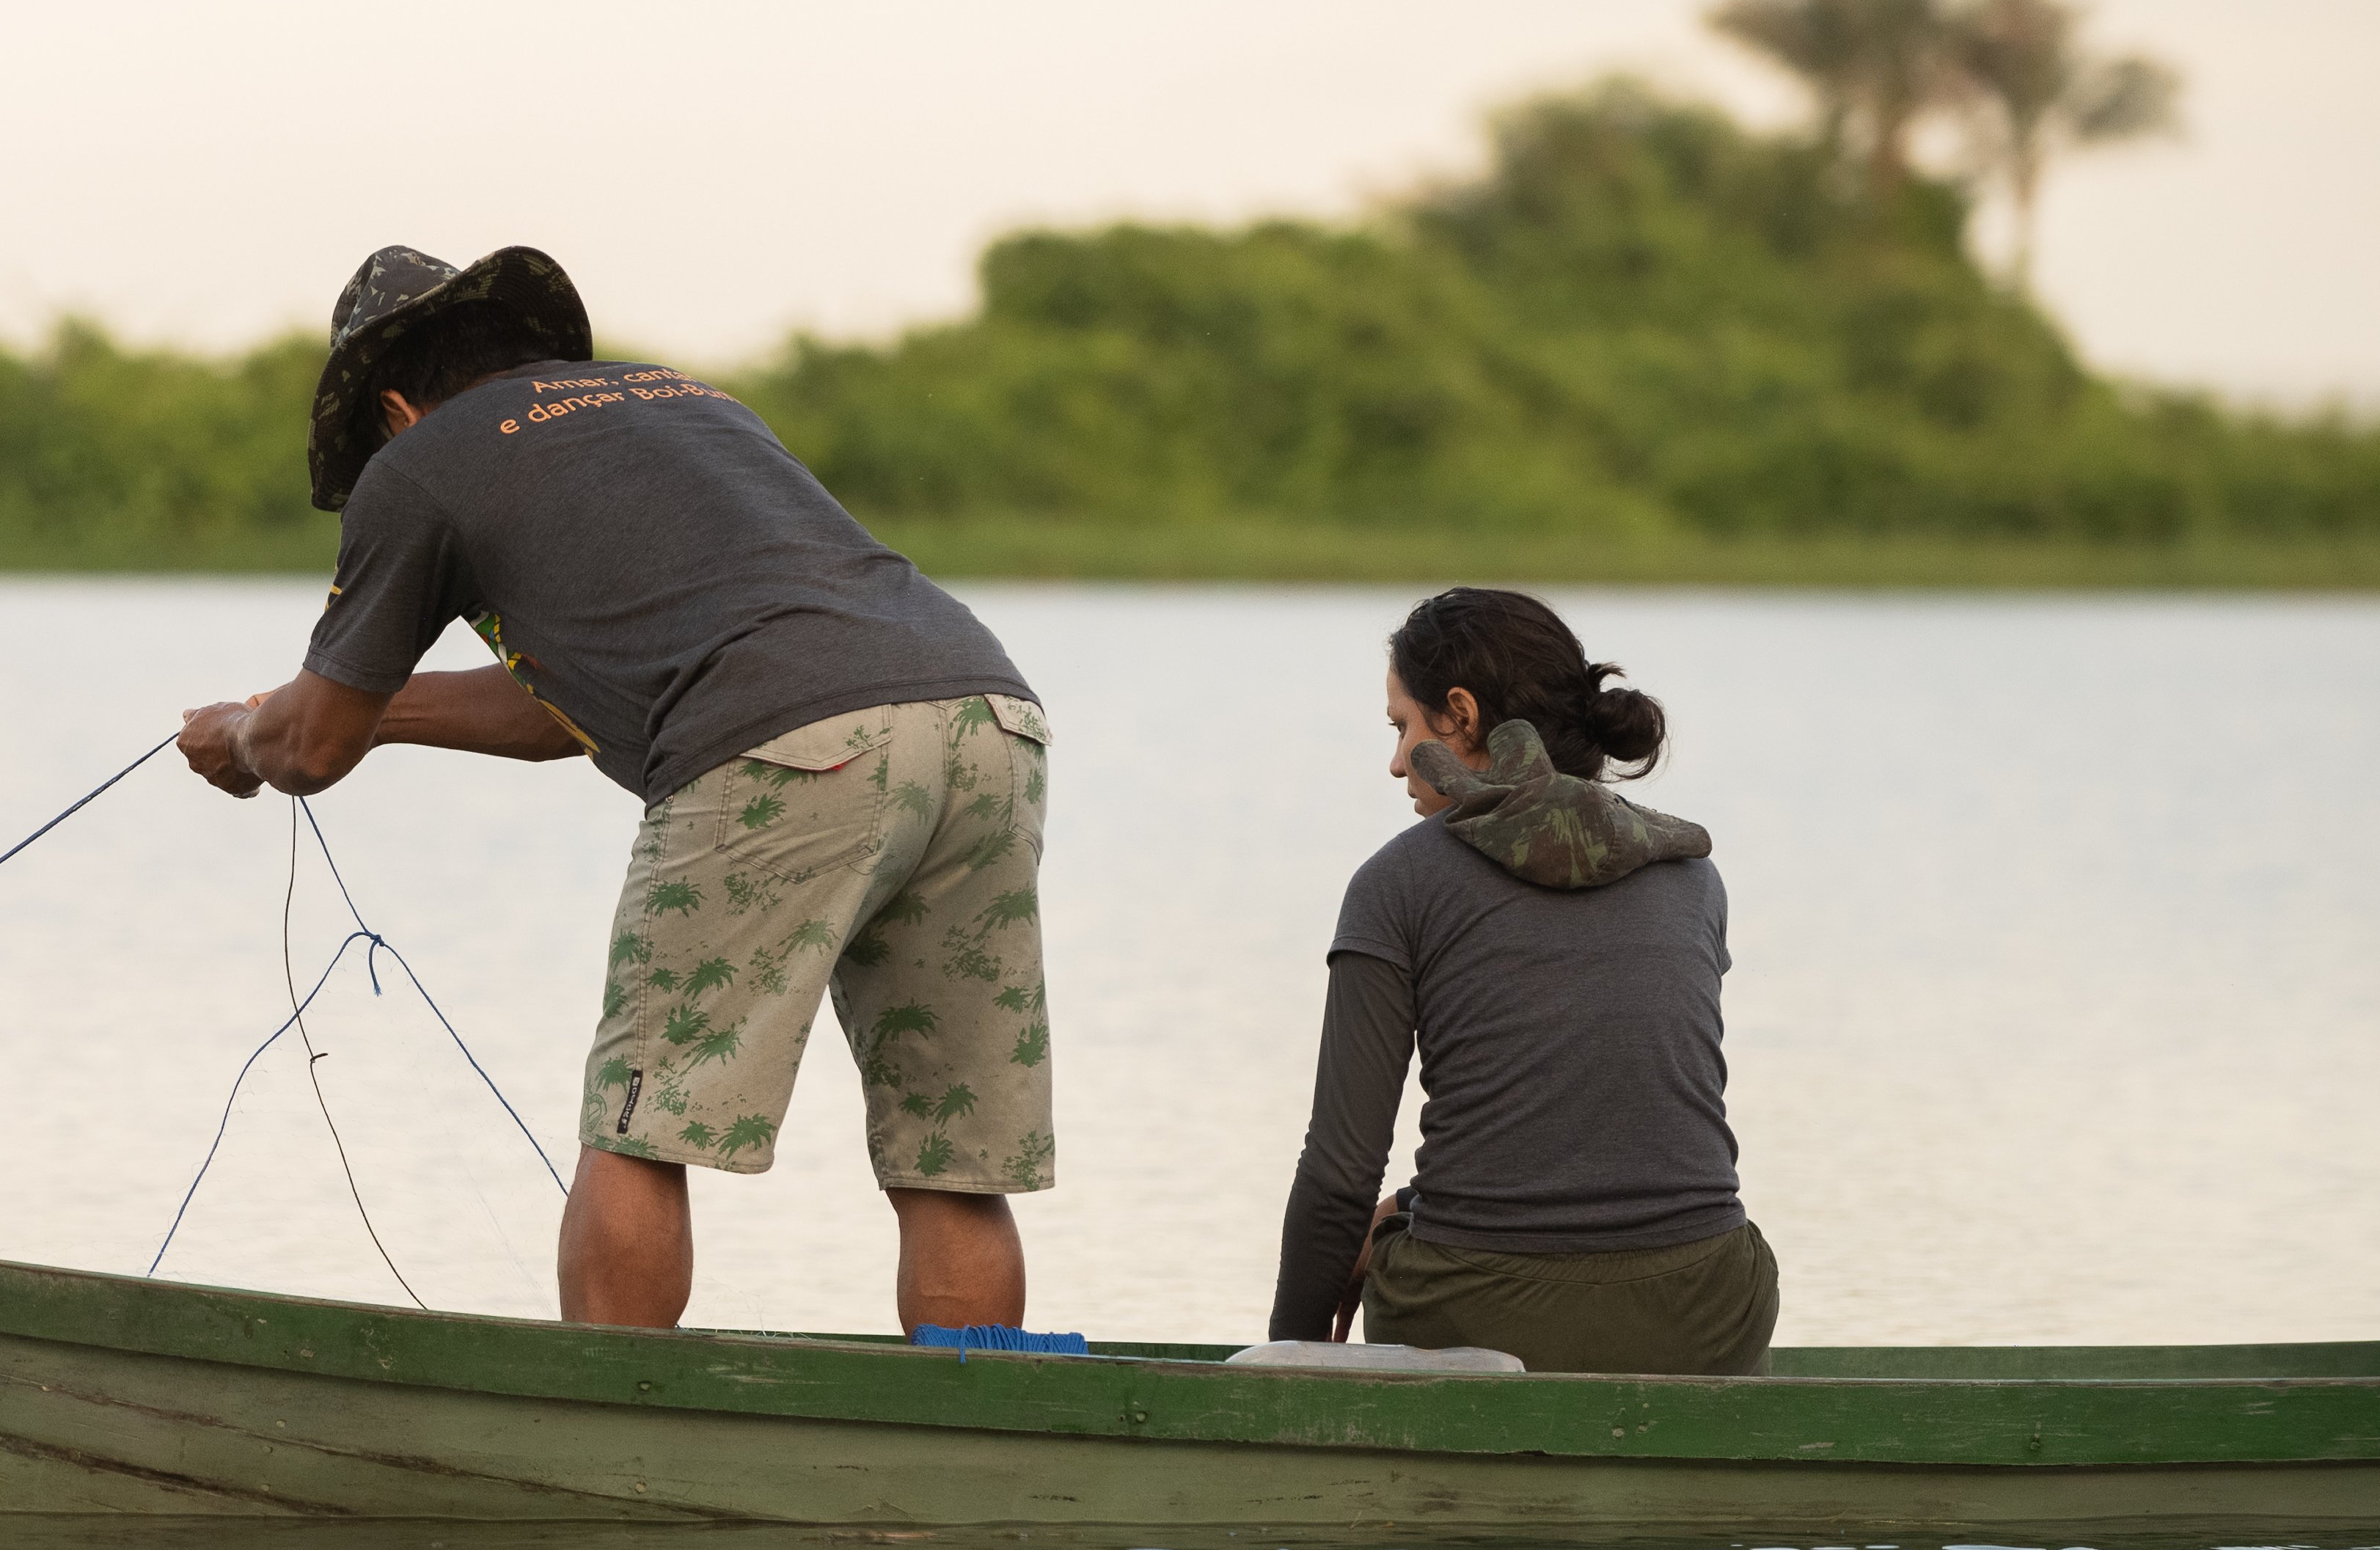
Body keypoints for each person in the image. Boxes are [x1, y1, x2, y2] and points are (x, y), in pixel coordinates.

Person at [175, 243, 1052, 1332]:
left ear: (395, 407)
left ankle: (613, 1431)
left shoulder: (424, 459)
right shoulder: (693, 406)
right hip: (984, 718)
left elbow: (307, 753)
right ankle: (978, 1439)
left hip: (775, 742)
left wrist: (244, 732)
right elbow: (564, 710)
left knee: (641, 1123)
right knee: (950, 1147)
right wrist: (360, 712)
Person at [1267, 588, 1779, 1372]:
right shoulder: (1689, 874)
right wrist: (1407, 1207)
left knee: (1397, 1250)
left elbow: (1339, 1178)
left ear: (1461, 716)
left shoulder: (1398, 882)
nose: (1398, 761)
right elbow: (1607, 1118)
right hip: (1706, 1311)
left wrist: (1291, 1363)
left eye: (1404, 726)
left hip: (1478, 1318)